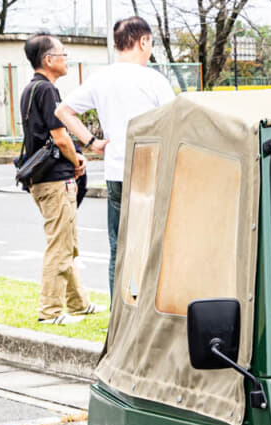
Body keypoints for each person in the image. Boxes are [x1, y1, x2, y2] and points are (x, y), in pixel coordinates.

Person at [55, 16, 174, 302]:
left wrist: (92, 142)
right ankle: (146, 312)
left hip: (116, 172)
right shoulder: (154, 79)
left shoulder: (101, 78)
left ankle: (118, 316)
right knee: (153, 247)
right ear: (143, 41)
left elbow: (63, 111)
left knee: (118, 249)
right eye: (150, 43)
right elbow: (175, 121)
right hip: (151, 172)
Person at [19, 34, 97, 326]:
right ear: (49, 60)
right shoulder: (48, 91)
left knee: (68, 242)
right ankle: (50, 311)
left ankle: (78, 303)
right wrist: (78, 159)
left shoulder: (30, 90)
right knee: (60, 246)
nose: (67, 58)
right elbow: (60, 136)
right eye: (63, 53)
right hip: (55, 179)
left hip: (40, 178)